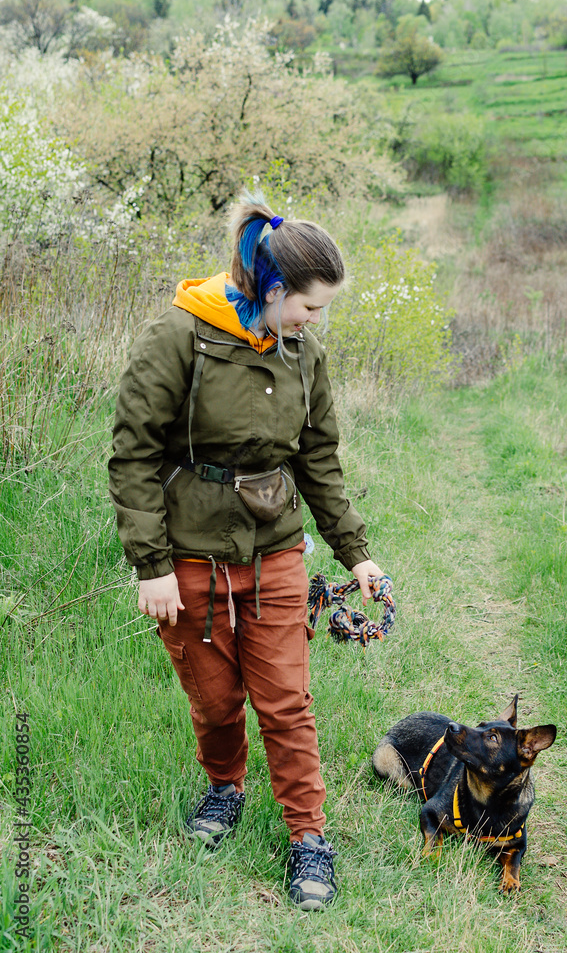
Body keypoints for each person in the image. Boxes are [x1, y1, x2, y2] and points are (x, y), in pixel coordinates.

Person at [108, 189, 385, 910]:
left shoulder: (304, 353)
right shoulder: (178, 335)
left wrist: (355, 552)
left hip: (275, 552)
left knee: (286, 701)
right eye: (310, 306)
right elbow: (133, 456)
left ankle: (308, 837)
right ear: (273, 286)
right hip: (188, 558)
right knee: (216, 700)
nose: (315, 321)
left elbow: (318, 460)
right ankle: (224, 787)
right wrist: (151, 566)